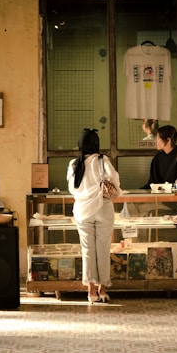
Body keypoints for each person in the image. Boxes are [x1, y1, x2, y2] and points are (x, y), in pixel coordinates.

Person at [67, 128, 122, 304]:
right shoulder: (102, 160)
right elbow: (114, 180)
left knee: (88, 251)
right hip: (103, 208)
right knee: (103, 249)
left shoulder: (74, 164)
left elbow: (72, 189)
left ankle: (91, 291)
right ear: (96, 144)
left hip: (83, 211)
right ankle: (103, 290)